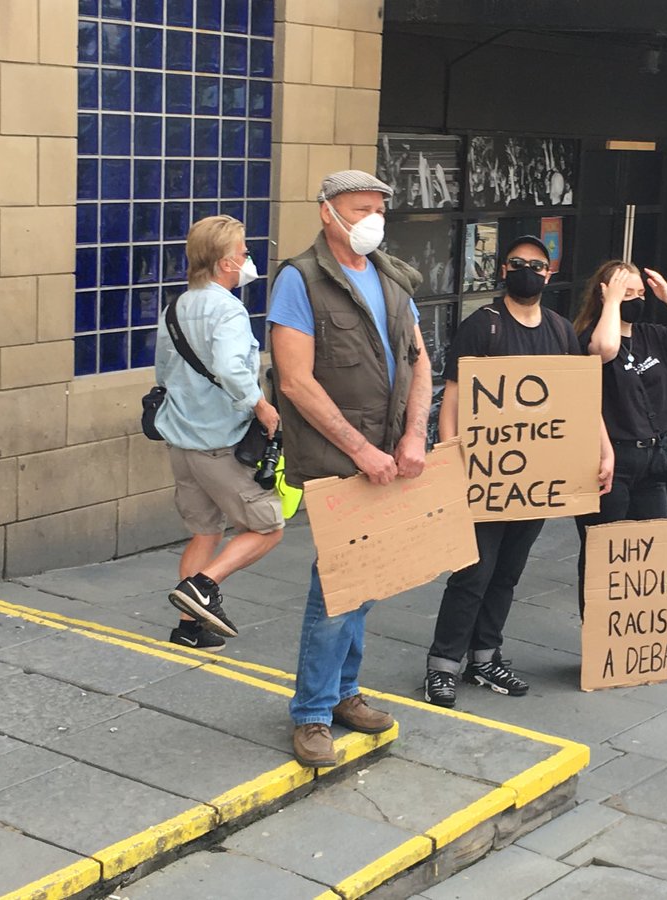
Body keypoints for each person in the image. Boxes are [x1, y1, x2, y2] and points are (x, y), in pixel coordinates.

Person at [268, 170, 431, 768]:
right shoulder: (300, 279)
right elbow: (295, 381)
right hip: (340, 460)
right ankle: (313, 712)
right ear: (327, 212)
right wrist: (360, 450)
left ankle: (343, 692)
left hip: (391, 455)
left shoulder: (392, 276)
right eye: (360, 208)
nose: (373, 219)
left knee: (367, 579)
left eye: (379, 209)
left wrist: (415, 434)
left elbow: (420, 361)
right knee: (340, 583)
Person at [423, 235, 615, 708]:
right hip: (485, 477)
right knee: (473, 573)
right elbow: (453, 396)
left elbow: (578, 400)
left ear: (549, 275)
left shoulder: (560, 331)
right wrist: (450, 456)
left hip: (537, 480)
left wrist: (603, 449)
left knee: (508, 572)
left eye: (536, 264)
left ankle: (485, 657)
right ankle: (443, 665)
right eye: (517, 263)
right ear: (504, 271)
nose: (527, 270)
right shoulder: (481, 326)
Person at [155, 215, 283, 652]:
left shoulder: (175, 307)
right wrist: (261, 405)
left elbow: (163, 372)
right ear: (227, 263)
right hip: (220, 443)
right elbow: (231, 367)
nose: (248, 259)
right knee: (268, 527)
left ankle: (190, 628)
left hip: (181, 441)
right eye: (244, 253)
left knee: (205, 533)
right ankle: (204, 587)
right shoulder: (228, 309)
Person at [572, 261, 667, 615]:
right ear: (606, 294)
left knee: (653, 552)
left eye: (639, 293)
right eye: (627, 293)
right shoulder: (589, 337)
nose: (635, 300)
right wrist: (611, 302)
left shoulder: (652, 335)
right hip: (611, 460)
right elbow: (605, 349)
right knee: (603, 553)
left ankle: (638, 630)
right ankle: (599, 634)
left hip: (653, 460)